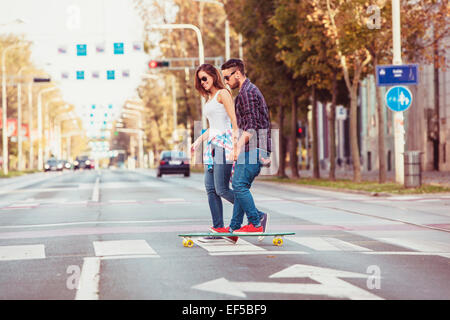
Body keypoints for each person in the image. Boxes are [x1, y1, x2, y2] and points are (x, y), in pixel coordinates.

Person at [221, 59, 270, 235]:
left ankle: (256, 222)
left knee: (239, 185)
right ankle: (234, 227)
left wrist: (237, 147)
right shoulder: (246, 91)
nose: (226, 81)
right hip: (254, 147)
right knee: (240, 186)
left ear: (238, 74)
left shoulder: (247, 93)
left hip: (254, 147)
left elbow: (252, 126)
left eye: (227, 77)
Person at [191, 64, 239, 243]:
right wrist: (197, 142)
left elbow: (234, 121)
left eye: (205, 78)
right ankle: (218, 227)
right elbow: (213, 127)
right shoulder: (210, 98)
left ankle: (255, 215)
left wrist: (235, 146)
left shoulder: (223, 93)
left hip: (224, 145)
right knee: (211, 189)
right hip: (212, 146)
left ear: (213, 75)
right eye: (199, 80)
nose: (202, 82)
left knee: (222, 189)